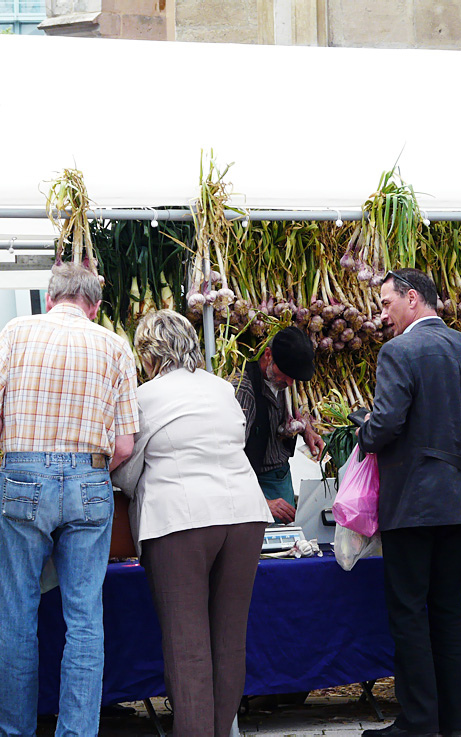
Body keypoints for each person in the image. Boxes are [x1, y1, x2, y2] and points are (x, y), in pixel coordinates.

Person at [112, 310, 273, 737]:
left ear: (147, 352)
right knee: (228, 640)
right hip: (244, 514)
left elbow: (126, 469)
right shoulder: (223, 389)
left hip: (179, 518)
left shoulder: (144, 397)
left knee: (188, 646)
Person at [358, 268, 461, 737]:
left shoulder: (400, 351)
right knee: (447, 610)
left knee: (409, 611)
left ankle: (419, 720)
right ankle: (450, 719)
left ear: (413, 299)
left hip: (414, 503)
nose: (383, 314)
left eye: (386, 303)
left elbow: (385, 426)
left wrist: (362, 428)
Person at [0, 262, 139, 737]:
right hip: (89, 478)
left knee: (16, 608)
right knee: (84, 615)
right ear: (95, 306)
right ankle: (77, 731)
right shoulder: (114, 346)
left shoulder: (15, 332)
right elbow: (124, 445)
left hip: (22, 474)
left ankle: (15, 730)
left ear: (48, 298)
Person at [230, 325, 324, 523]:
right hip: (254, 485)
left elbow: (288, 415)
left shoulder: (281, 380)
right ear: (267, 354)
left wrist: (306, 430)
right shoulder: (243, 390)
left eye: (293, 377)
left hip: (281, 478)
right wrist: (262, 502)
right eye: (286, 374)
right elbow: (230, 456)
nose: (290, 382)